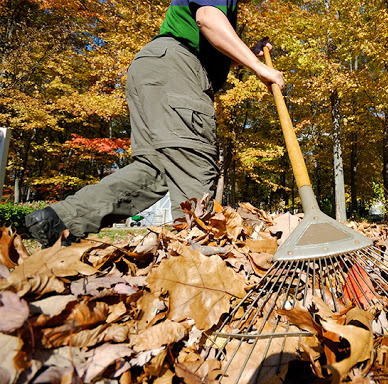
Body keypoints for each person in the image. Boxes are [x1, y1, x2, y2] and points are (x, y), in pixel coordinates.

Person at [25, 0, 284, 248]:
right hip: (178, 68)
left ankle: (61, 220)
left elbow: (210, 44)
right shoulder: (219, 5)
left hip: (155, 69)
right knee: (193, 163)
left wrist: (248, 54)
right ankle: (193, 262)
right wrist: (258, 67)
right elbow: (208, 19)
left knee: (155, 170)